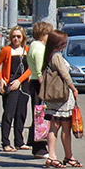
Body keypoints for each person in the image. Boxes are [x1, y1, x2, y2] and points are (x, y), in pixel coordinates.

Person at [38, 30, 80, 169]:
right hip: (62, 96)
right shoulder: (57, 56)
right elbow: (64, 74)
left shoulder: (49, 55)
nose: (66, 44)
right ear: (59, 43)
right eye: (64, 42)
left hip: (53, 97)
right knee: (64, 128)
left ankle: (53, 156)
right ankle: (66, 156)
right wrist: (73, 88)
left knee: (54, 127)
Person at [0, 26, 31, 152]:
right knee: (8, 114)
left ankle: (19, 141)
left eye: (18, 36)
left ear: (23, 38)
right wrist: (1, 79)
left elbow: (30, 68)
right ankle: (5, 142)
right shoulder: (6, 50)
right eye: (14, 36)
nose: (16, 39)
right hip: (10, 84)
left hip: (23, 86)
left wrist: (20, 81)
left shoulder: (27, 50)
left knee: (21, 114)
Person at [26, 21, 54, 157]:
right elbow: (39, 69)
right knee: (41, 115)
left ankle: (35, 143)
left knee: (38, 114)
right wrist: (46, 87)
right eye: (48, 33)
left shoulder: (32, 45)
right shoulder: (40, 48)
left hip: (34, 82)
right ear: (43, 34)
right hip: (39, 83)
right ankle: (39, 148)